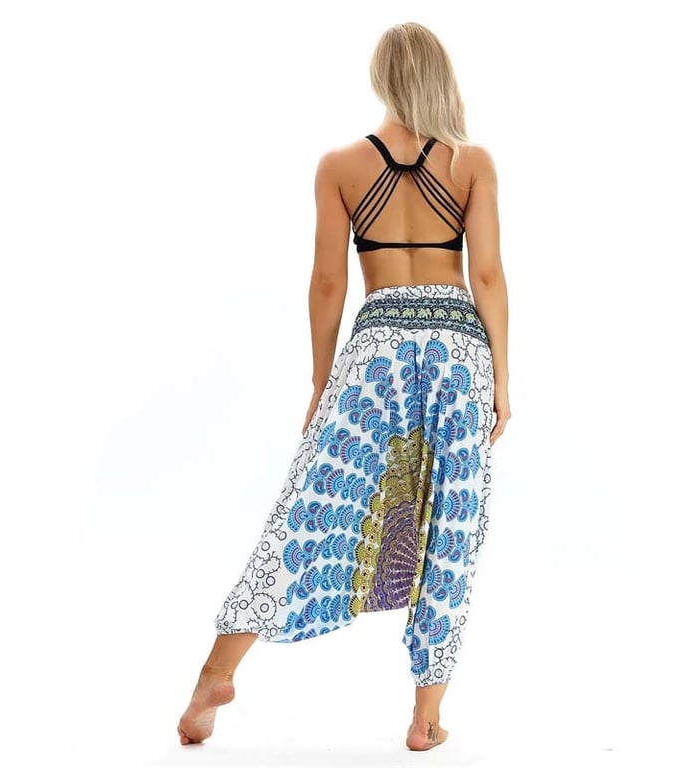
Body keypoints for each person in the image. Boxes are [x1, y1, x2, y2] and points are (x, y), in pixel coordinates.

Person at [177, 21, 510, 752]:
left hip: (377, 343)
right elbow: (485, 274)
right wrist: (503, 378)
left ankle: (216, 672)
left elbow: (329, 282)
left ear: (381, 78)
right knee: (451, 520)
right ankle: (425, 718)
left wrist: (323, 379)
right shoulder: (472, 162)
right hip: (459, 349)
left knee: (310, 504)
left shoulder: (339, 166)